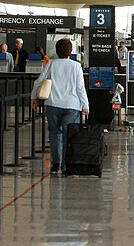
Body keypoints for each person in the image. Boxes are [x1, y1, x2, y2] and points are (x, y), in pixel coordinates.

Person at [30, 38, 89, 174]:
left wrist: (33, 97)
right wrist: (85, 106)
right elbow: (80, 88)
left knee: (55, 133)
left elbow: (38, 81)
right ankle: (65, 165)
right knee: (68, 136)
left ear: (57, 50)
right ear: (70, 51)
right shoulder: (75, 66)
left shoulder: (51, 64)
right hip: (72, 105)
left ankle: (55, 163)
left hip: (52, 104)